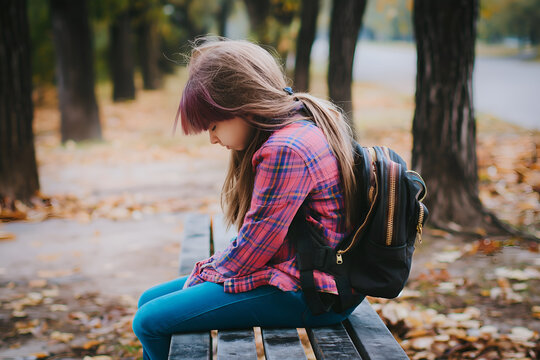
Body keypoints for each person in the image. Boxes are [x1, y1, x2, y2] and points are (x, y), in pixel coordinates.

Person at [132, 37, 364, 360]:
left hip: (311, 293)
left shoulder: (286, 149)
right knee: (147, 301)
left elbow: (252, 251)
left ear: (240, 106)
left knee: (148, 322)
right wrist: (207, 272)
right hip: (300, 277)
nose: (212, 138)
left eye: (213, 125)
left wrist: (202, 274)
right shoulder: (291, 129)